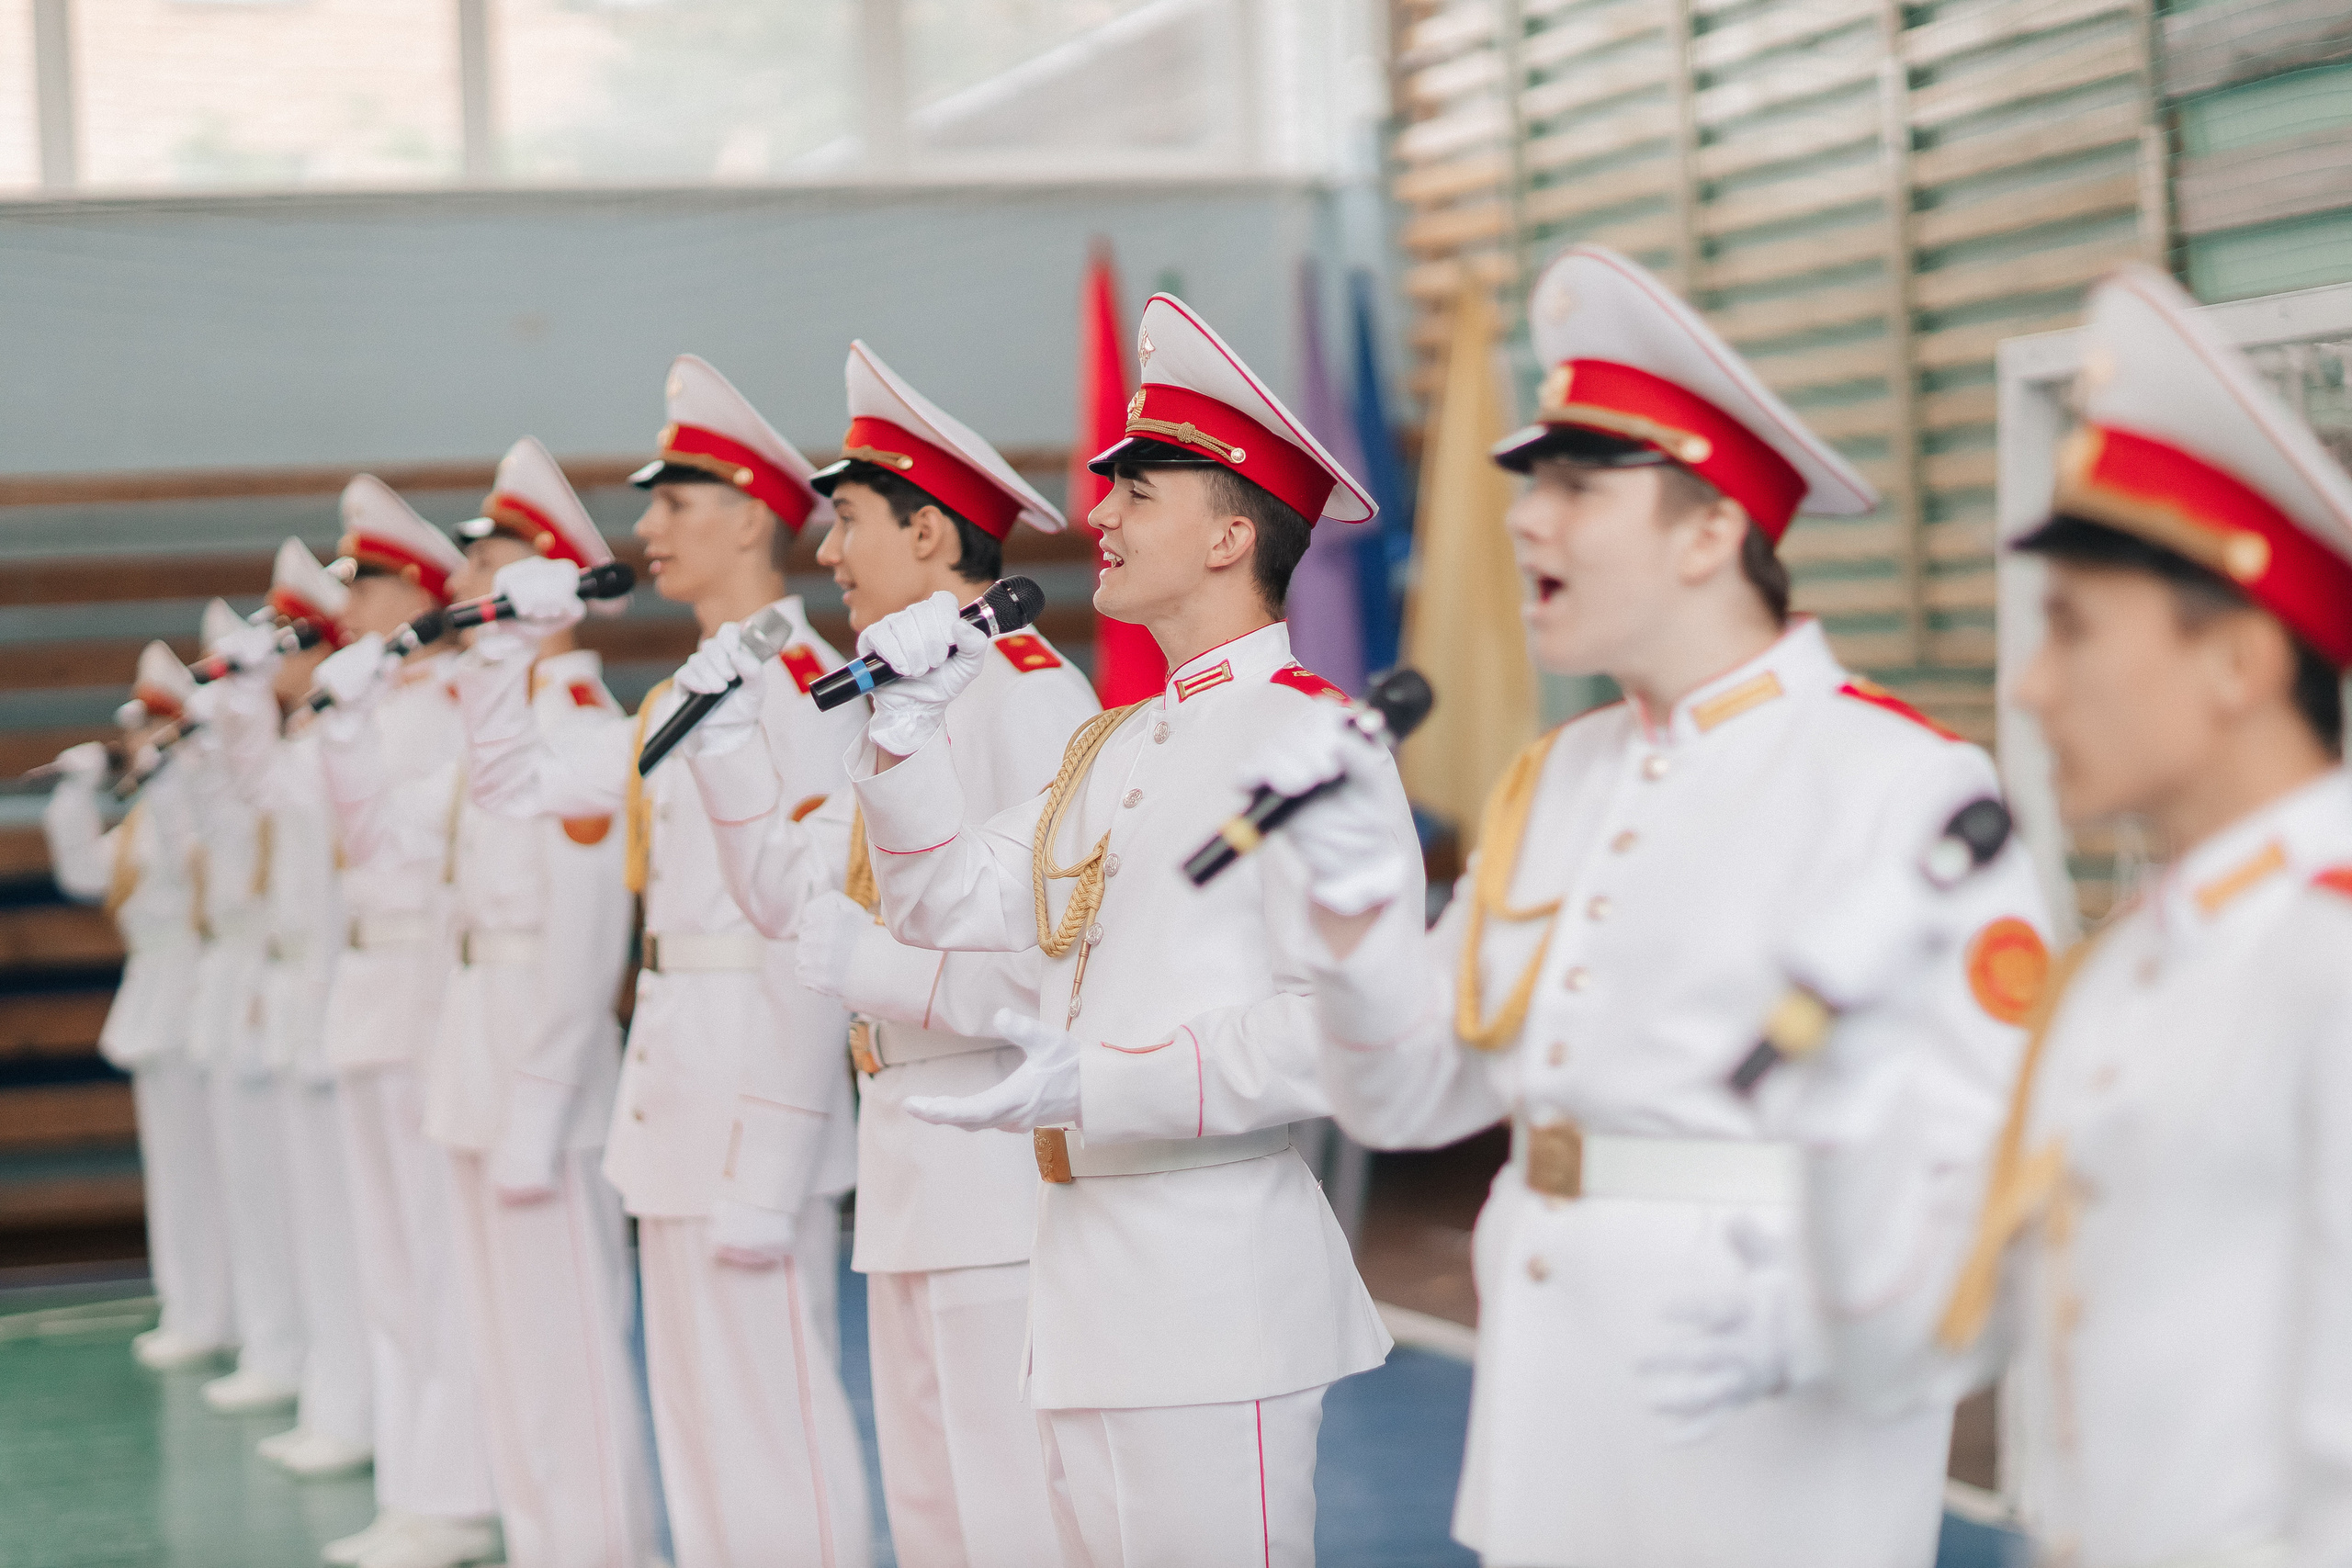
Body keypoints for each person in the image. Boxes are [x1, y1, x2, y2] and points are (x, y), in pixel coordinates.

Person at [1238, 245, 2051, 1568]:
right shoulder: (1558, 777)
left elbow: (1994, 1143)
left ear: (1713, 527)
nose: (1524, 520)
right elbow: (1407, 1101)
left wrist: (1849, 1315)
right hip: (1554, 1387)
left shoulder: (1900, 779)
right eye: (1527, 485)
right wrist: (1352, 922)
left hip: (1777, 1381)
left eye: (1572, 484)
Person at [839, 294, 1404, 1568]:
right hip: (1085, 1272)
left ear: (1229, 532)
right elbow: (947, 903)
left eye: (1137, 491)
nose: (1096, 515)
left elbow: (1344, 1030)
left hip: (1215, 1277)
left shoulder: (1316, 742)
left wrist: (1109, 1079)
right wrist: (907, 734)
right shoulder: (1118, 742)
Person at [1804, 264, 2352, 1566]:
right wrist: (1848, 1083)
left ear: (2238, 658)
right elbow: (1917, 1343)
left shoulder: (2327, 960)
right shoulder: (2118, 976)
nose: (2032, 686)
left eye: (2071, 628)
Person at [673, 341, 1096, 1566]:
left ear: (928, 534)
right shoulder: (890, 696)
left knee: (1011, 1510)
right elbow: (792, 905)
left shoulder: (1025, 693)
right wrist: (723, 746)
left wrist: (879, 975)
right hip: (908, 1144)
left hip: (994, 1157)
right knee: (934, 1515)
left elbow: (1046, 967)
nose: (825, 550)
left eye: (848, 518)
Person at [469, 355, 872, 1568]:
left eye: (673, 503)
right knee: (699, 1412)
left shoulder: (803, 686)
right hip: (679, 1085)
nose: (645, 530)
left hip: (755, 1092)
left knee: (774, 1415)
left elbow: (810, 929)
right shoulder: (682, 697)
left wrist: (780, 1147)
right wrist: (508, 649)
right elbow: (513, 784)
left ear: (750, 515)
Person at [314, 438, 658, 1568]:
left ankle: (595, 1546)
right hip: (477, 1054)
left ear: (548, 581)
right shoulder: (497, 734)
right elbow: (372, 836)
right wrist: (349, 723)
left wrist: (542, 1098)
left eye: (489, 563)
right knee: (510, 1344)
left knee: (564, 1347)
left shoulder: (581, 729)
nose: (460, 587)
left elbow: (579, 940)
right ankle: (532, 1532)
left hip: (536, 1079)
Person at [305, 479, 501, 1568]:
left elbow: (419, 862)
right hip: (377, 1001)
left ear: (419, 592)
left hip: (431, 1000)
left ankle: (452, 1492)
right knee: (391, 1263)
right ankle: (412, 1476)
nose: (357, 604)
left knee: (437, 1263)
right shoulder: (375, 707)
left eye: (370, 583)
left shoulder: (454, 709)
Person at [196, 538, 378, 1478]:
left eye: (294, 640)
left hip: (349, 985)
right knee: (317, 1218)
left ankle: (354, 1406)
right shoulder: (310, 743)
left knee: (352, 1229)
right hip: (308, 991)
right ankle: (334, 1396)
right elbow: (252, 780)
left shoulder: (344, 737)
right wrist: (238, 699)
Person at [43, 641, 236, 1372]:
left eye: (154, 728)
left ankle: (220, 1309)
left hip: (197, 991)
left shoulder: (194, 803)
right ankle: (188, 1302)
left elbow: (205, 867)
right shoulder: (145, 818)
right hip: (155, 996)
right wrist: (71, 795)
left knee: (212, 1170)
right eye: (135, 732)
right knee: (175, 1169)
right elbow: (86, 872)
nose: (138, 745)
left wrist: (171, 783)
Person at [184, 596, 308, 1420]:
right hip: (274, 986)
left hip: (311, 986)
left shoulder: (319, 751)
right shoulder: (284, 759)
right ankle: (283, 1352)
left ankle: (305, 1366)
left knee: (315, 1218)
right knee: (270, 1197)